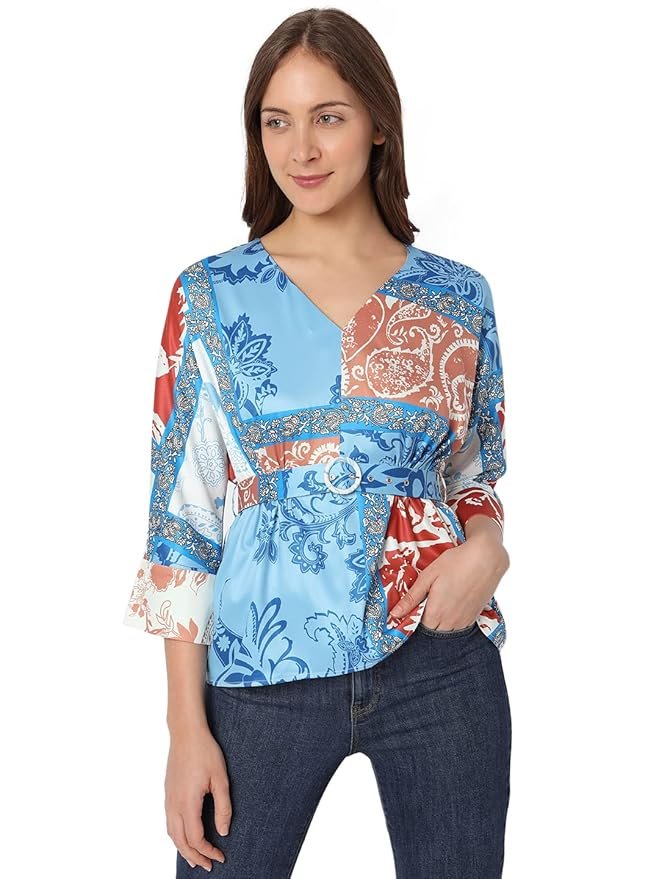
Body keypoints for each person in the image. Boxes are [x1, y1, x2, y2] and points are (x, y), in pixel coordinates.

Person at [123, 8, 512, 878]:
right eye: (277, 121)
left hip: (439, 660)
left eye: (327, 116)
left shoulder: (458, 297)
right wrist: (185, 727)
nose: (299, 148)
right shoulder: (210, 294)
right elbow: (182, 520)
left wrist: (488, 548)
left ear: (377, 124)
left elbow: (471, 475)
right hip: (261, 669)